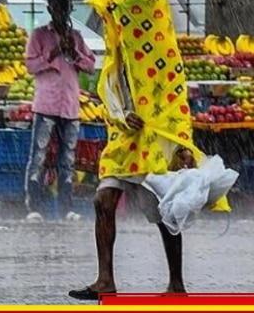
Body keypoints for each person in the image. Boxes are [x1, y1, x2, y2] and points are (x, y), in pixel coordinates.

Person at [69, 50, 195, 300]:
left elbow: (174, 103)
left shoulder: (159, 52)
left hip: (152, 142)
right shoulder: (116, 56)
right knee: (103, 201)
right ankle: (105, 279)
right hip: (122, 140)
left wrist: (182, 146)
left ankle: (177, 283)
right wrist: (121, 116)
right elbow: (108, 97)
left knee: (164, 211)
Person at [23, 0, 95, 222]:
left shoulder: (77, 38)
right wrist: (52, 54)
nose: (61, 13)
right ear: (50, 10)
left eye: (65, 8)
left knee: (68, 159)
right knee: (39, 155)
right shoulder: (39, 35)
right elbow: (30, 66)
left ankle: (66, 207)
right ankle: (34, 205)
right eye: (56, 8)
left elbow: (91, 66)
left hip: (70, 106)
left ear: (70, 10)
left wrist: (74, 53)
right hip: (46, 104)